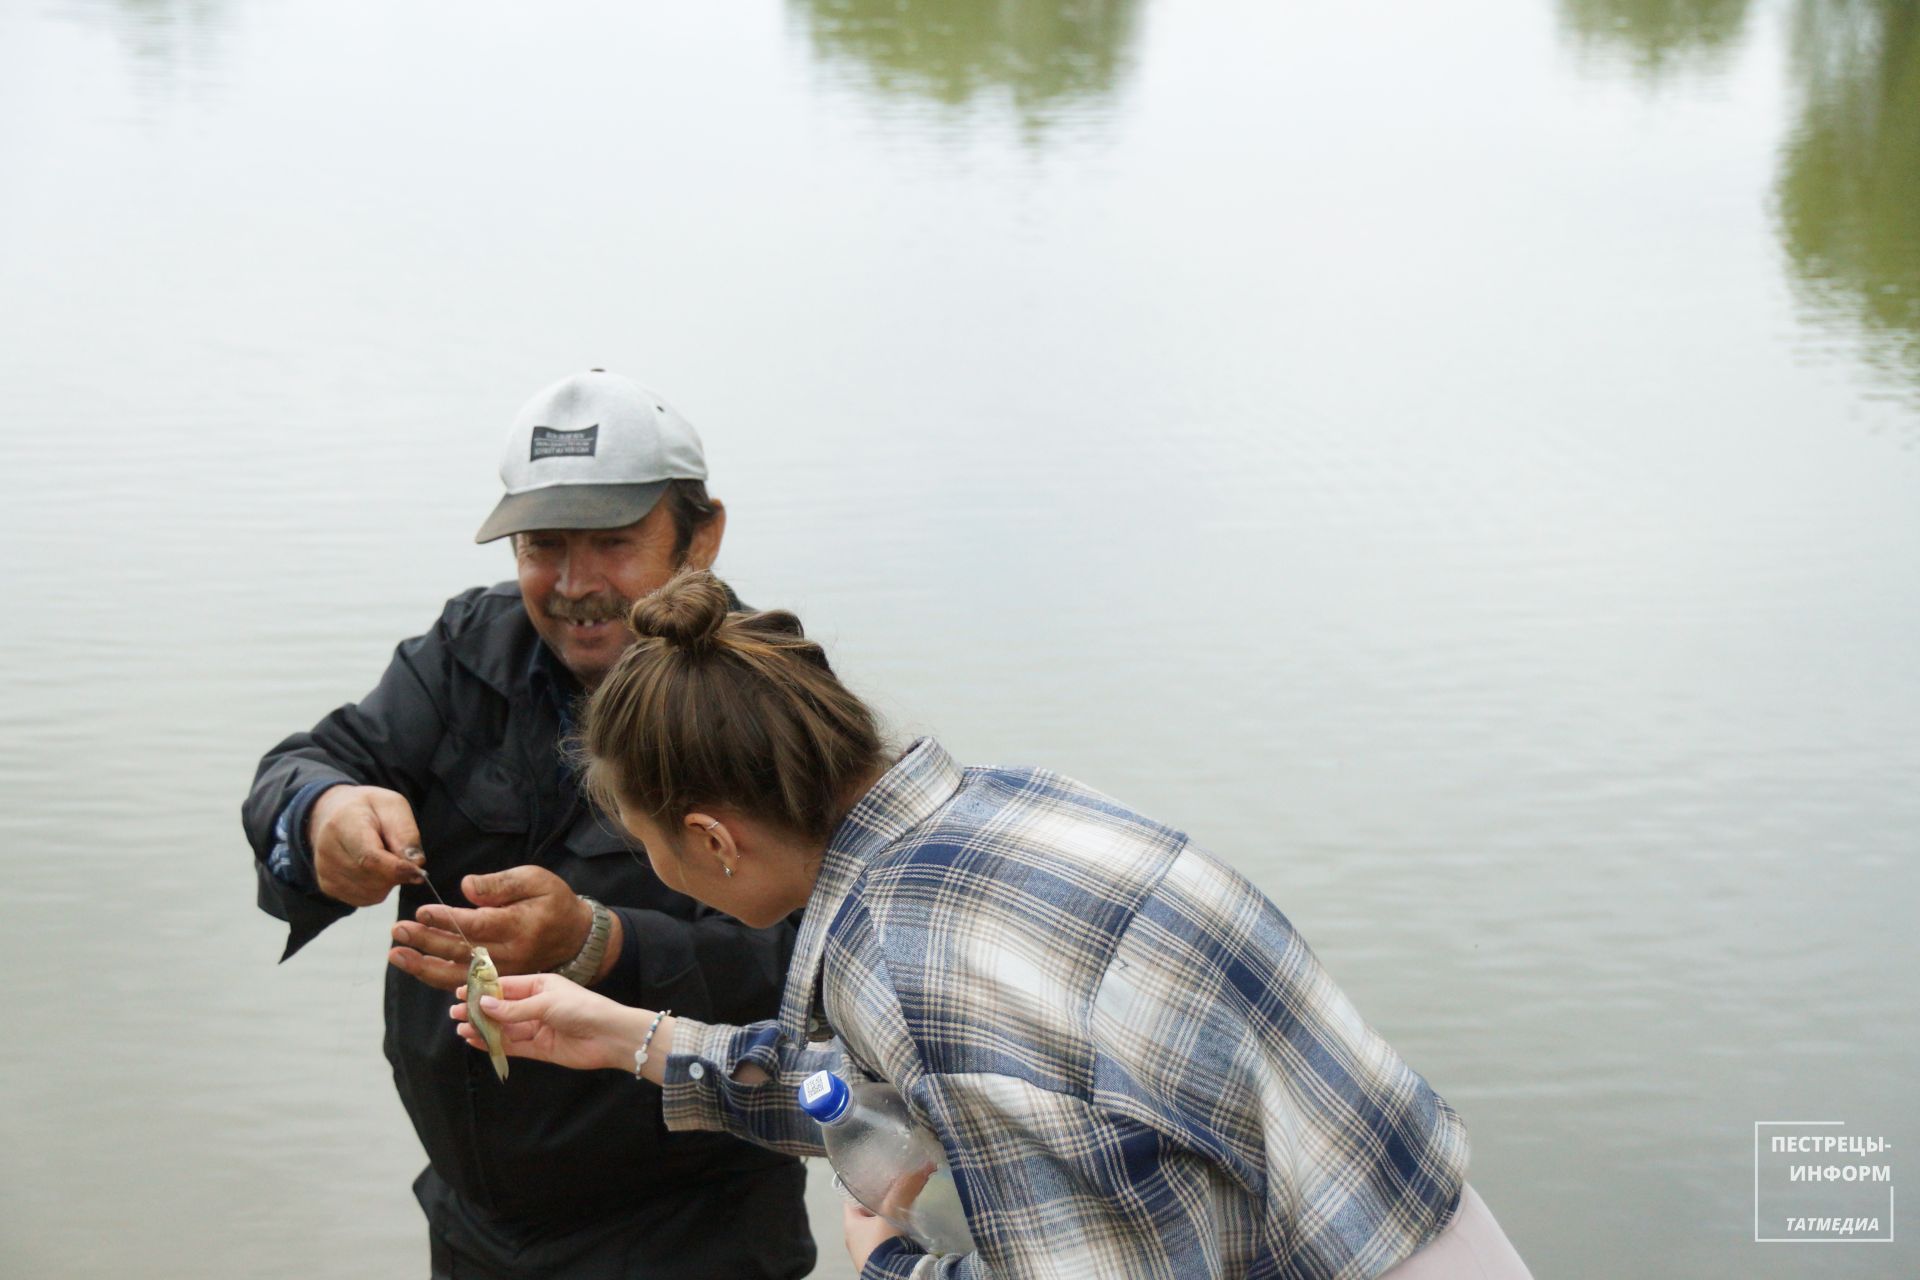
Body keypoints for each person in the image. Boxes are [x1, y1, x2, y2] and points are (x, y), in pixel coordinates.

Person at [450, 570, 1532, 1279]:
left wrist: (889, 1261)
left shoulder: (907, 972)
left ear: (714, 838)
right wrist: (632, 1037)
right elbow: (863, 1091)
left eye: (651, 846)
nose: (663, 877)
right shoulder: (1004, 808)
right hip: (1424, 1225)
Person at [241, 372, 815, 1278]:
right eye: (544, 545)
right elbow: (305, 765)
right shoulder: (470, 651)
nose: (575, 584)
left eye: (614, 543)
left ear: (701, 535)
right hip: (472, 1228)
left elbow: (811, 971)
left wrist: (602, 943)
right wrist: (324, 816)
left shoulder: (769, 703)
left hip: (688, 1236)